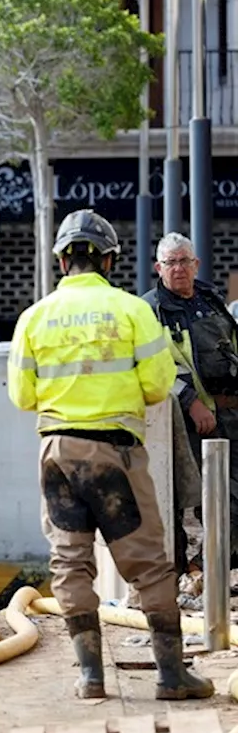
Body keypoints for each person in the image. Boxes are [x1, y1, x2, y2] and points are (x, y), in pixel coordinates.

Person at [7, 209, 213, 701]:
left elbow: (21, 395)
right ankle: (170, 676)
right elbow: (160, 385)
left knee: (70, 563)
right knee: (148, 564)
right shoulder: (132, 311)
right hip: (116, 451)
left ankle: (91, 678)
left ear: (61, 261)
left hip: (57, 452)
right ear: (109, 259)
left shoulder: (33, 318)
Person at [143, 232, 238, 571]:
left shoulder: (210, 298)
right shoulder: (149, 310)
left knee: (231, 499)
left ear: (196, 264)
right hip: (188, 421)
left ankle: (218, 569)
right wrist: (190, 400)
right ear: (158, 267)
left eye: (185, 261)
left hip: (229, 413)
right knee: (203, 498)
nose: (179, 268)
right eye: (171, 262)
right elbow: (156, 366)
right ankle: (197, 572)